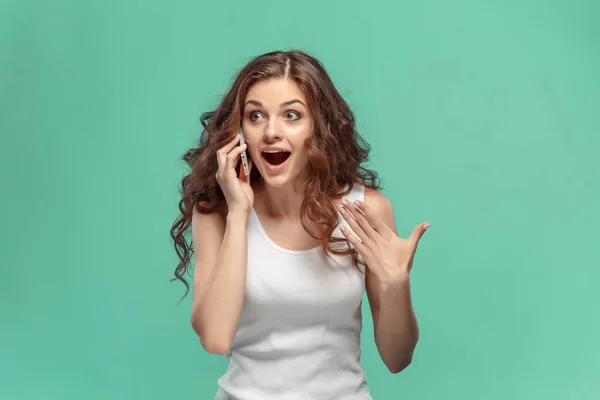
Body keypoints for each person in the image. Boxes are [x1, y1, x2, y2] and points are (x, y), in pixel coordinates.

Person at [170, 49, 430, 400]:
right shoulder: (217, 212)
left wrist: (397, 284)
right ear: (240, 130)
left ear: (318, 127)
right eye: (256, 116)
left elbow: (397, 358)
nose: (271, 132)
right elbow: (215, 338)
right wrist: (239, 213)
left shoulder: (367, 210)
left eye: (292, 115)